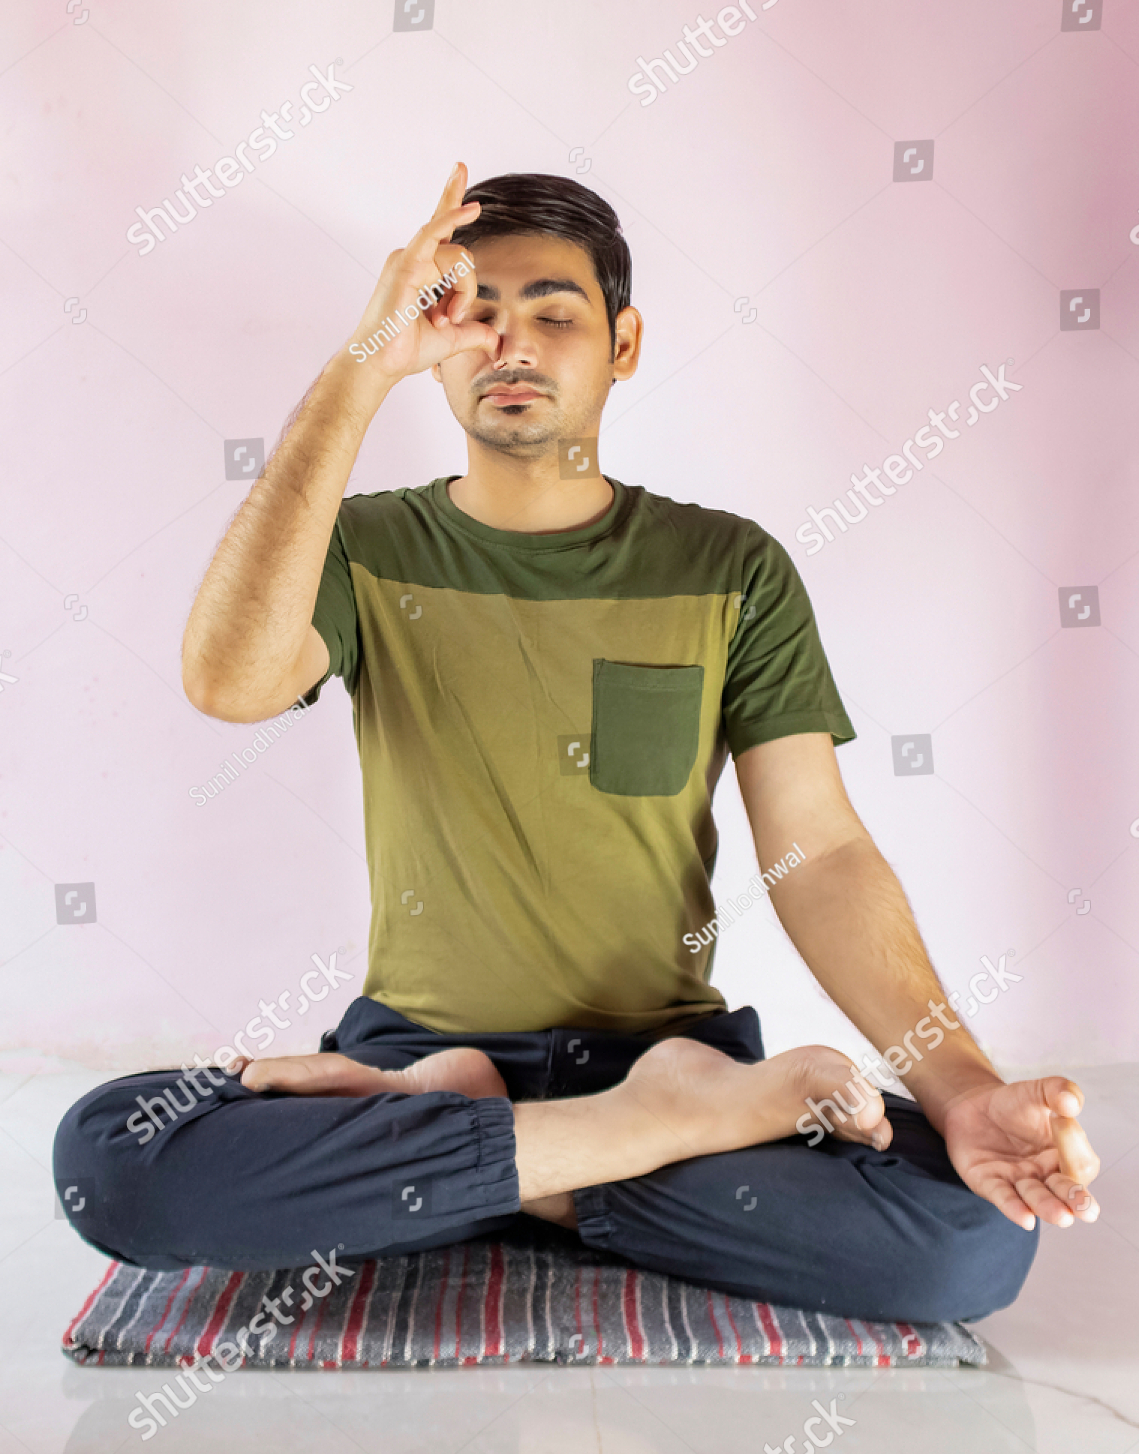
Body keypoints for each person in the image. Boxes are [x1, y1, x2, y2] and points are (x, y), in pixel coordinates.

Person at [54, 165, 1100, 1325]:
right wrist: (360, 365)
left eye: (554, 314)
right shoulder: (359, 549)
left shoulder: (728, 568)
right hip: (426, 1061)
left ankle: (477, 1165)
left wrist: (957, 1089)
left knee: (965, 1241)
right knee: (108, 1156)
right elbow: (228, 680)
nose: (511, 344)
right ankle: (614, 1145)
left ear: (623, 343)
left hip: (647, 1055)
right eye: (471, 315)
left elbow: (824, 852)